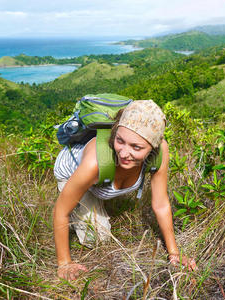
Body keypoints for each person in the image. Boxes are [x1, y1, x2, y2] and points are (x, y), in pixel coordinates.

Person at [53, 100, 197, 281]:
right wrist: (64, 263)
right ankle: (82, 206)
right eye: (120, 140)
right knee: (96, 237)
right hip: (72, 173)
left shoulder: (160, 152)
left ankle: (95, 198)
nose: (123, 153)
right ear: (115, 132)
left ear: (153, 147)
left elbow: (160, 204)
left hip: (97, 179)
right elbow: (61, 210)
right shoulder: (94, 163)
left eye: (136, 147)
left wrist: (174, 254)